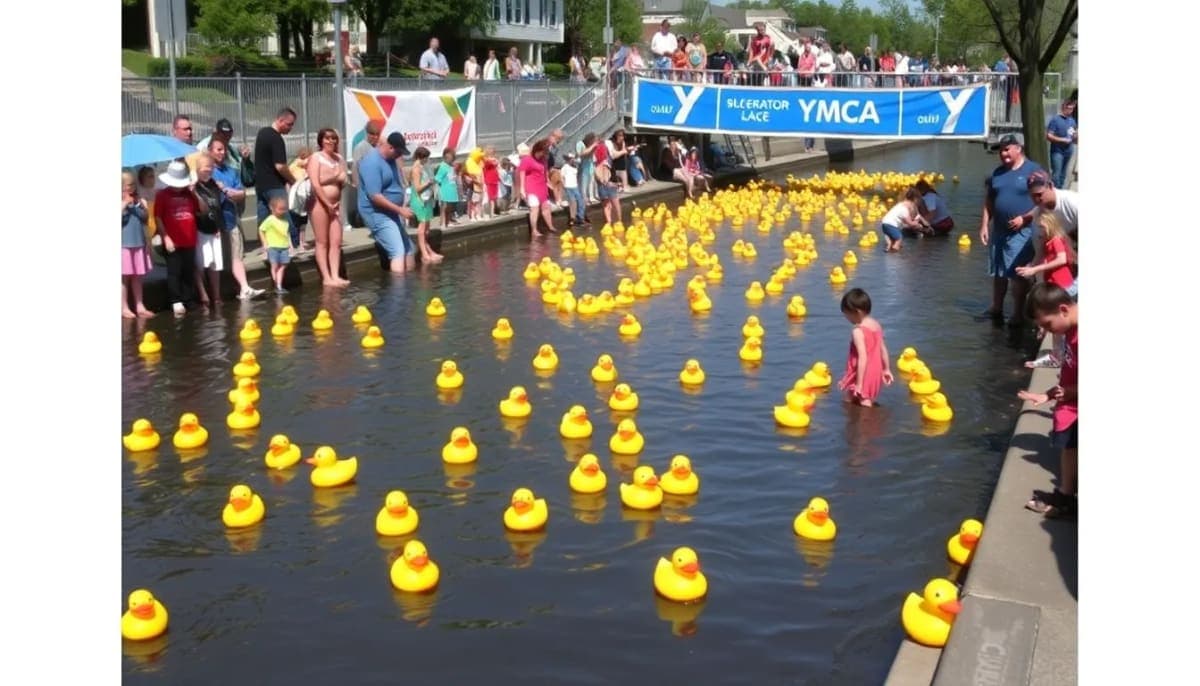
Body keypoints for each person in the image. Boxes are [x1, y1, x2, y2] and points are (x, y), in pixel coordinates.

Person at [1016, 283, 1078, 519]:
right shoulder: (1070, 330)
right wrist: (1048, 395)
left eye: (1047, 325)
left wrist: (1073, 391)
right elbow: (1070, 372)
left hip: (1075, 405)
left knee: (1070, 445)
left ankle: (1066, 498)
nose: (1049, 331)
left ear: (1063, 309)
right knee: (1068, 446)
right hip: (1071, 405)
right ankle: (1066, 495)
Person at [980, 134, 1045, 327]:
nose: (1003, 153)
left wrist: (1025, 218)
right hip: (999, 230)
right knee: (998, 272)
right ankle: (996, 307)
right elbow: (989, 202)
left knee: (1017, 274)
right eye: (1001, 150)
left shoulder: (1033, 171)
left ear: (1019, 148)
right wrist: (984, 224)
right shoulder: (997, 173)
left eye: (1007, 149)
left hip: (1021, 232)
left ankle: (1018, 313)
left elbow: (1044, 201)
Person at [206, 138, 262, 300]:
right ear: (210, 151)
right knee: (216, 259)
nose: (222, 153)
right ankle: (215, 296)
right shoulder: (207, 172)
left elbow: (241, 193)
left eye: (223, 149)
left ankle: (244, 287)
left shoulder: (231, 171)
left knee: (236, 254)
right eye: (218, 149)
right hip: (214, 224)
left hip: (231, 219)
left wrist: (230, 192)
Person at [154, 160, 208, 316]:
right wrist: (166, 237)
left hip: (189, 238)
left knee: (188, 270)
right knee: (174, 271)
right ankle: (175, 300)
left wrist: (195, 192)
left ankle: (188, 298)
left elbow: (202, 210)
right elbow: (158, 217)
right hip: (172, 239)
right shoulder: (162, 195)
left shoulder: (189, 195)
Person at [358, 132, 416, 273]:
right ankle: (398, 292)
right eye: (399, 152)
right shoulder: (371, 163)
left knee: (410, 249)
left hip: (391, 212)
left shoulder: (391, 160)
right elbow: (375, 197)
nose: (400, 156)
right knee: (398, 251)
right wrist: (400, 210)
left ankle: (409, 287)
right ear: (390, 148)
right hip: (376, 214)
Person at [306, 127, 350, 287]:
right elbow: (316, 184)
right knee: (322, 241)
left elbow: (343, 180)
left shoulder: (339, 158)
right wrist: (328, 203)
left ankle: (335, 275)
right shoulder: (316, 158)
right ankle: (326, 277)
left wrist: (342, 179)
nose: (331, 141)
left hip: (335, 205)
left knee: (336, 241)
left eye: (334, 138)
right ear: (321, 140)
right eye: (327, 138)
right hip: (320, 204)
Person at [837, 288, 894, 407]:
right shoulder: (876, 325)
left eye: (847, 315)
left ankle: (868, 423)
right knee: (849, 398)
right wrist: (886, 369)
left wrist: (859, 384)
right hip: (876, 371)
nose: (847, 319)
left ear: (857, 312)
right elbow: (883, 349)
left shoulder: (858, 331)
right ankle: (859, 420)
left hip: (863, 373)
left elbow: (863, 357)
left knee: (864, 401)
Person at [254, 107, 298, 256]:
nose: (290, 128)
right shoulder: (276, 138)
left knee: (264, 217)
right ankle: (294, 246)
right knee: (284, 215)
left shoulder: (262, 133)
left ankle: (265, 247)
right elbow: (280, 166)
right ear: (280, 120)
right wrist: (293, 180)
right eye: (289, 124)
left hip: (261, 185)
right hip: (274, 185)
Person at [192, 152, 227, 308]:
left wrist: (218, 226)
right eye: (207, 167)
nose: (210, 170)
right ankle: (203, 295)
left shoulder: (214, 184)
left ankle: (217, 295)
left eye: (211, 167)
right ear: (198, 169)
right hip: (200, 229)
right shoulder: (193, 186)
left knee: (215, 264)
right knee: (201, 263)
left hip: (214, 229)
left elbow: (217, 207)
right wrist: (192, 190)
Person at [121, 171, 154, 318]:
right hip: (124, 244)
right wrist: (123, 206)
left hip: (138, 242)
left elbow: (144, 218)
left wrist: (143, 207)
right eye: (129, 185)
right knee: (124, 277)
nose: (132, 187)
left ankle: (140, 305)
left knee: (137, 276)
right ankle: (124, 306)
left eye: (134, 184)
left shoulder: (138, 200)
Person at [408, 146, 443, 263]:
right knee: (422, 228)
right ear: (420, 157)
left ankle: (429, 251)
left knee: (427, 228)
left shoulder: (425, 166)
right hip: (419, 200)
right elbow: (417, 188)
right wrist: (429, 183)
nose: (427, 160)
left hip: (427, 199)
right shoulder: (416, 169)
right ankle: (424, 254)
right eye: (425, 158)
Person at [519, 139, 556, 238]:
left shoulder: (543, 160)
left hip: (542, 187)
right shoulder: (527, 160)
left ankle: (551, 226)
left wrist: (549, 183)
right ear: (537, 150)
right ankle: (534, 230)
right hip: (531, 187)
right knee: (534, 208)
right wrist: (522, 189)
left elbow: (545, 173)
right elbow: (522, 173)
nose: (544, 155)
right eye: (543, 152)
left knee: (546, 207)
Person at [879, 187, 931, 252]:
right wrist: (917, 223)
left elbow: (907, 220)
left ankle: (889, 251)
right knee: (899, 239)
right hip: (891, 225)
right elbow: (911, 223)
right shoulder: (904, 210)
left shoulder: (900, 205)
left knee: (893, 242)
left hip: (885, 223)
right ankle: (894, 254)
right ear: (914, 199)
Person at [259, 195, 293, 294]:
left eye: (284, 209)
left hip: (284, 247)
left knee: (283, 266)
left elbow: (287, 233)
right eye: (280, 209)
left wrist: (290, 245)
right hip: (273, 247)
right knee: (274, 266)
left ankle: (278, 285)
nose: (283, 211)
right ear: (272, 208)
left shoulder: (285, 220)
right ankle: (277, 285)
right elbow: (261, 230)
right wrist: (265, 243)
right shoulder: (270, 219)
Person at [1046, 100, 1078, 189]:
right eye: (1068, 108)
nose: (1070, 110)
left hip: (1068, 151)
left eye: (1072, 109)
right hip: (1057, 152)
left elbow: (1074, 136)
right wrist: (1062, 140)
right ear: (1063, 107)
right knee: (1056, 174)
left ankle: (1060, 192)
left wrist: (1076, 137)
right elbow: (1049, 136)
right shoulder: (1055, 120)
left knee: (1063, 174)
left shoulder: (1072, 121)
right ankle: (1054, 192)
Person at [435, 147, 460, 228]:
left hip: (452, 190)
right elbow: (438, 179)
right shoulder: (442, 166)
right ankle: (442, 223)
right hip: (444, 190)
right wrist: (439, 190)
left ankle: (448, 221)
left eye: (452, 158)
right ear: (445, 157)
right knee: (444, 207)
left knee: (450, 208)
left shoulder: (451, 167)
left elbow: (453, 178)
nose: (451, 160)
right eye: (449, 158)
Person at [561, 153, 587, 228]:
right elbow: (562, 177)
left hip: (575, 186)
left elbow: (576, 176)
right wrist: (564, 186)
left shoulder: (575, 166)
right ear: (567, 159)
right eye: (570, 158)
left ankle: (580, 217)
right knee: (573, 202)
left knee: (580, 201)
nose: (572, 160)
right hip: (568, 187)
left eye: (572, 158)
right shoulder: (564, 167)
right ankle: (572, 219)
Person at [576, 133, 599, 205]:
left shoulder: (591, 146)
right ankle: (583, 198)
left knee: (591, 183)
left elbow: (589, 155)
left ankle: (590, 197)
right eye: (593, 141)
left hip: (590, 166)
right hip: (582, 167)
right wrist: (592, 146)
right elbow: (581, 154)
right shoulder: (580, 144)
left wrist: (593, 149)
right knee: (583, 183)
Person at [482, 146, 501, 217]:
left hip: (495, 179)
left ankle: (495, 211)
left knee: (494, 196)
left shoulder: (494, 159)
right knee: (491, 197)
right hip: (489, 179)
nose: (492, 151)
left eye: (493, 150)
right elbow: (487, 165)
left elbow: (496, 165)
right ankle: (491, 212)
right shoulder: (486, 160)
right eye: (490, 150)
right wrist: (493, 161)